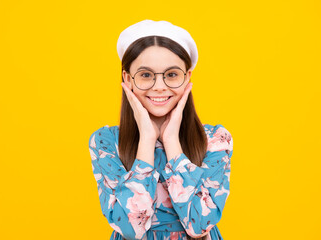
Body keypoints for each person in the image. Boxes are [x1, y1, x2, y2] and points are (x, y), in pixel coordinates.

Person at [88, 19, 233, 240]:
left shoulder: (215, 139)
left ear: (187, 78)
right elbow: (130, 229)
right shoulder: (106, 142)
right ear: (128, 79)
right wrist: (147, 139)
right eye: (146, 75)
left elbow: (200, 224)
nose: (159, 86)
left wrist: (171, 141)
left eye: (172, 74)